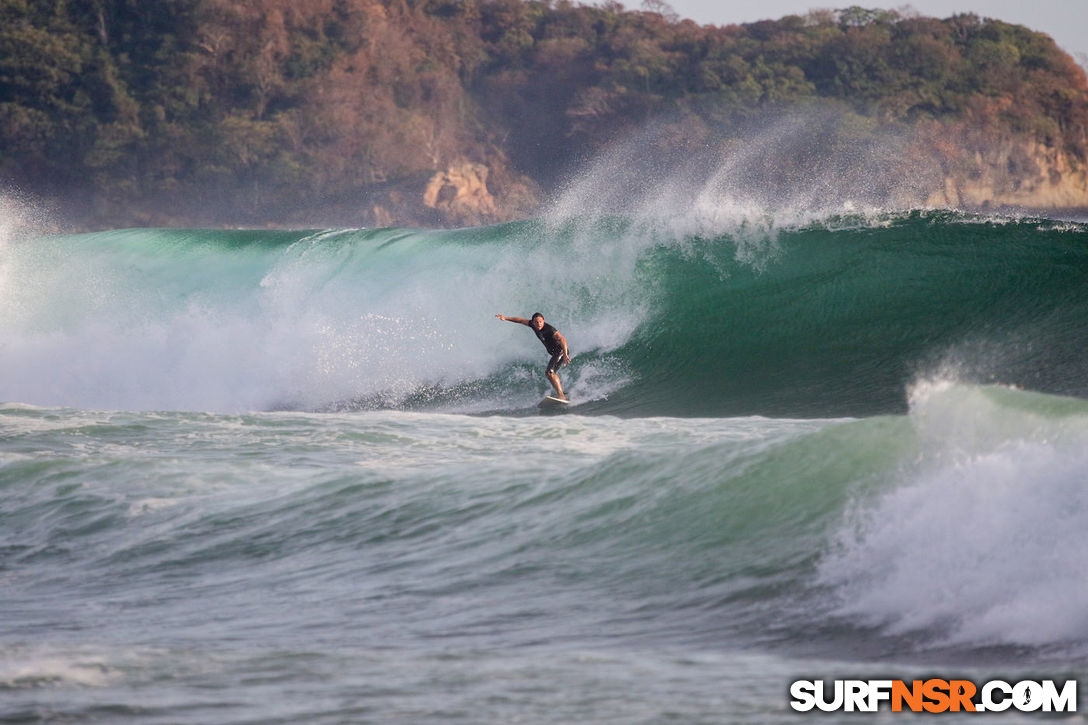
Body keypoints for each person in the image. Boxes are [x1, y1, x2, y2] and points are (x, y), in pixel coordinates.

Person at [495, 312, 572, 400]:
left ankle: (561, 395)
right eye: (536, 322)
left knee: (550, 373)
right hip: (555, 353)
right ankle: (561, 393)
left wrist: (565, 354)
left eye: (540, 322)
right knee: (549, 374)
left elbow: (562, 339)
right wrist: (505, 318)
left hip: (560, 352)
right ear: (533, 322)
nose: (539, 324)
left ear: (544, 321)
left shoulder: (549, 329)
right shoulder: (532, 324)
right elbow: (520, 320)